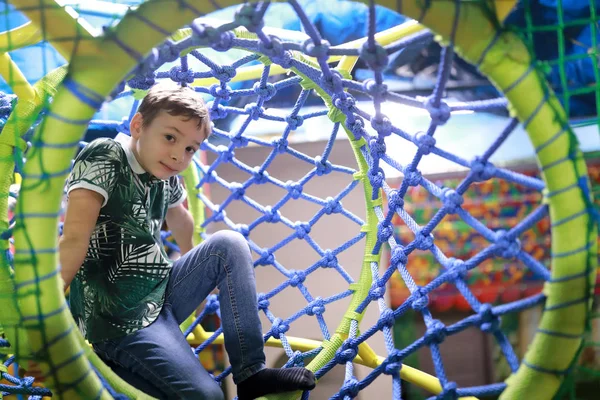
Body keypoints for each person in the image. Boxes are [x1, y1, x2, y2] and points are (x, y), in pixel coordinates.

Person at [58, 82, 315, 399]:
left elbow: (181, 216)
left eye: (191, 148)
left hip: (162, 294)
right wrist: (46, 316)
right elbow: (73, 239)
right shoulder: (106, 155)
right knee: (207, 396)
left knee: (228, 244)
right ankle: (113, 365)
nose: (179, 154)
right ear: (138, 125)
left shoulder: (162, 172)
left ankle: (251, 373)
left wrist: (205, 271)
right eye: (170, 137)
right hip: (118, 320)